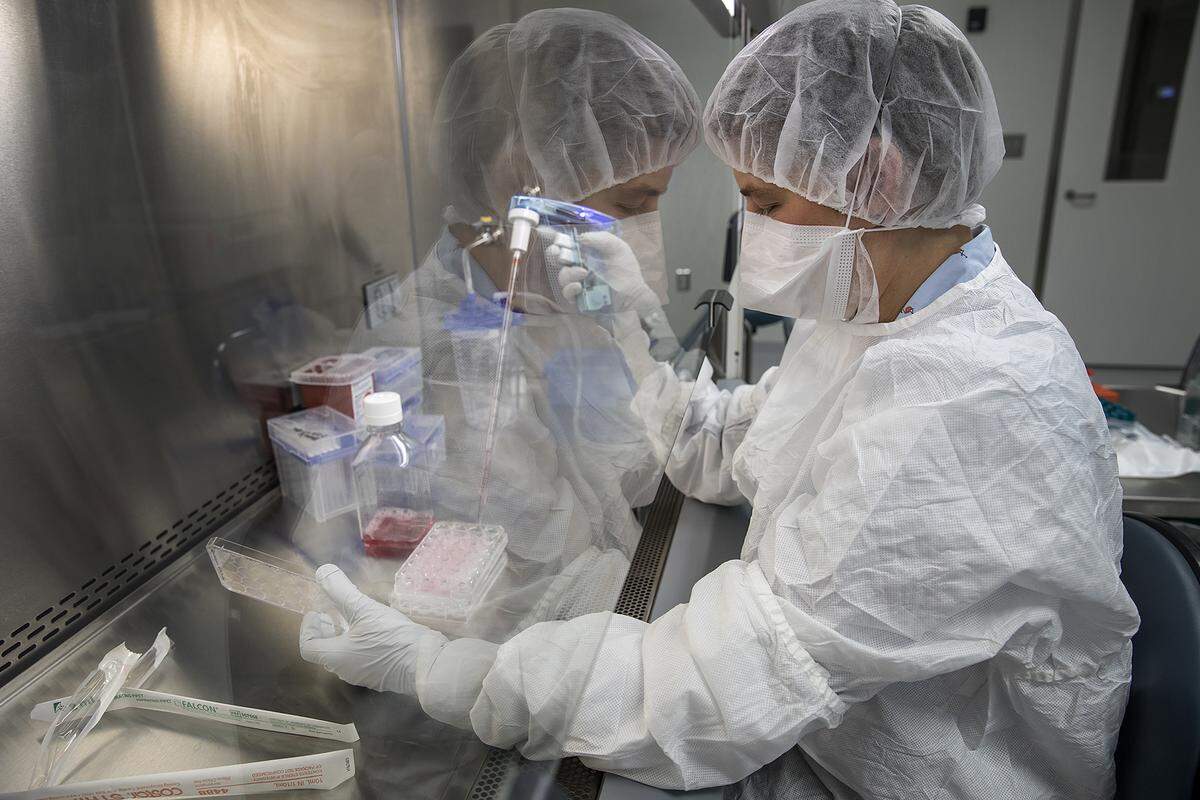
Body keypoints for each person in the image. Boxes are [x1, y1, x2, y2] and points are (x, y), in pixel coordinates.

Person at [301, 3, 1140, 798]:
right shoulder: (880, 312)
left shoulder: (964, 401)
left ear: (877, 180)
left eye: (766, 202)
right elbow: (734, 442)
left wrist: (441, 673)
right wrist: (629, 329)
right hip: (849, 732)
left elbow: (711, 696)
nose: (753, 229)